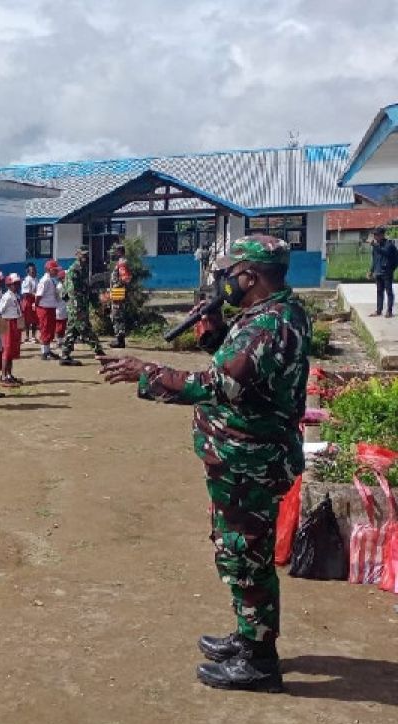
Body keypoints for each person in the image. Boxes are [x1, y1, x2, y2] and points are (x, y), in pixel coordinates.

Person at [99, 235, 308, 693]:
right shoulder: (265, 316)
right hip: (241, 458)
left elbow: (218, 384)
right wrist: (212, 327)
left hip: (250, 461)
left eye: (231, 272)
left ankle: (259, 661)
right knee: (237, 551)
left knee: (247, 556)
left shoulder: (269, 326)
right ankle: (248, 634)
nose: (226, 280)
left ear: (251, 275)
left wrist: (146, 372)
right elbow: (236, 368)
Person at [59, 248, 106, 366]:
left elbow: (85, 289)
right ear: (77, 255)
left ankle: (65, 356)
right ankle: (99, 352)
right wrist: (78, 302)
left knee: (72, 330)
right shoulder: (74, 270)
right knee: (85, 328)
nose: (85, 257)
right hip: (76, 305)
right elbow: (72, 290)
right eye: (83, 255)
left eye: (86, 255)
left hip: (79, 304)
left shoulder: (83, 269)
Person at [0, 274, 24, 385]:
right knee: (7, 350)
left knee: (12, 350)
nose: (17, 285)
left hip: (15, 322)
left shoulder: (15, 296)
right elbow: (0, 310)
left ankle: (9, 374)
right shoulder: (7, 297)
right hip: (8, 322)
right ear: (9, 285)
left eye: (18, 283)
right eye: (15, 284)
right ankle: (3, 376)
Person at [369, 226, 398, 318]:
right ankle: (378, 310)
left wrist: (391, 269)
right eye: (374, 235)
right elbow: (374, 260)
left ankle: (389, 311)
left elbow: (385, 253)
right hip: (378, 272)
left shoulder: (389, 245)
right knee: (379, 291)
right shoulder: (376, 246)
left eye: (376, 235)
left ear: (382, 235)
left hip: (386, 272)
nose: (375, 237)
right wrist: (371, 271)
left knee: (388, 291)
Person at [34, 262, 61, 360]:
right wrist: (37, 306)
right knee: (45, 329)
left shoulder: (51, 280)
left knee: (50, 329)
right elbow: (38, 296)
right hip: (44, 308)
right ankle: (44, 352)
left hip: (50, 308)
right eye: (55, 269)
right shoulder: (44, 280)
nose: (57, 271)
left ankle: (47, 350)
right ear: (49, 270)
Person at [109, 252, 133, 348]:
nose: (112, 254)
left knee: (117, 316)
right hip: (118, 292)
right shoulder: (121, 262)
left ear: (118, 252)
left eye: (114, 252)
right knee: (118, 315)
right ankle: (119, 339)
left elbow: (126, 278)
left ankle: (119, 340)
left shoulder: (121, 263)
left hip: (118, 293)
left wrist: (117, 287)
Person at [21, 263, 39, 343]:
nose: (34, 272)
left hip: (34, 301)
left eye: (35, 270)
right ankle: (27, 336)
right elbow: (25, 293)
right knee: (27, 320)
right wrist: (35, 294)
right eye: (32, 271)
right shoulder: (26, 280)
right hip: (28, 301)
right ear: (28, 271)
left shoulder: (36, 279)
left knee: (35, 319)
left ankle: (34, 336)